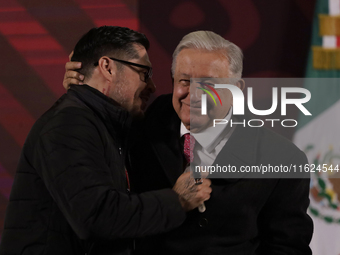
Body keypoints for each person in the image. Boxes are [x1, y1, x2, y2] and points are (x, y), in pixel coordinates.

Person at [63, 30, 313, 254]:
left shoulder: (282, 159)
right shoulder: (147, 121)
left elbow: (288, 248)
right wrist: (86, 88)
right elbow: (97, 135)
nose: (193, 94)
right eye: (184, 81)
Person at [0, 26, 213, 255]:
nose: (151, 86)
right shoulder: (69, 124)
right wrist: (177, 200)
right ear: (108, 67)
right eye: (144, 73)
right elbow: (96, 216)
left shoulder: (113, 125)